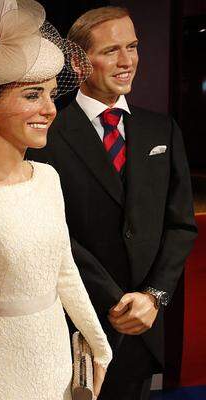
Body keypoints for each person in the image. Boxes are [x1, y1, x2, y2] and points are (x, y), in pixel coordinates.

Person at [0, 0, 113, 399]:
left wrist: (100, 345)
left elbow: (65, 272)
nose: (49, 109)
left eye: (49, 95)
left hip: (56, 353)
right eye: (33, 96)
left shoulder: (47, 178)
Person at [26, 7, 197, 400]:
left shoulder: (163, 129)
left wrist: (153, 297)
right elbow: (53, 234)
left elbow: (181, 225)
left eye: (133, 47)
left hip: (144, 324)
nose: (127, 61)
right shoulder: (45, 137)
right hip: (77, 325)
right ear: (77, 62)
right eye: (111, 51)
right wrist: (114, 300)